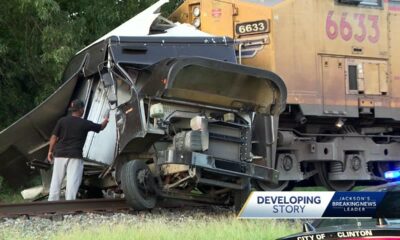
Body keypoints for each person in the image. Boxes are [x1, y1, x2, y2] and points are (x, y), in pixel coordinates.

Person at [47, 99, 109, 201]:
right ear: (80, 109)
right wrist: (106, 119)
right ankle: (70, 205)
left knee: (56, 181)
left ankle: (52, 204)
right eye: (83, 108)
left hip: (60, 154)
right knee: (73, 181)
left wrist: (50, 151)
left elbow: (54, 137)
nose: (84, 110)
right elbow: (101, 127)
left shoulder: (62, 121)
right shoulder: (84, 123)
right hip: (75, 156)